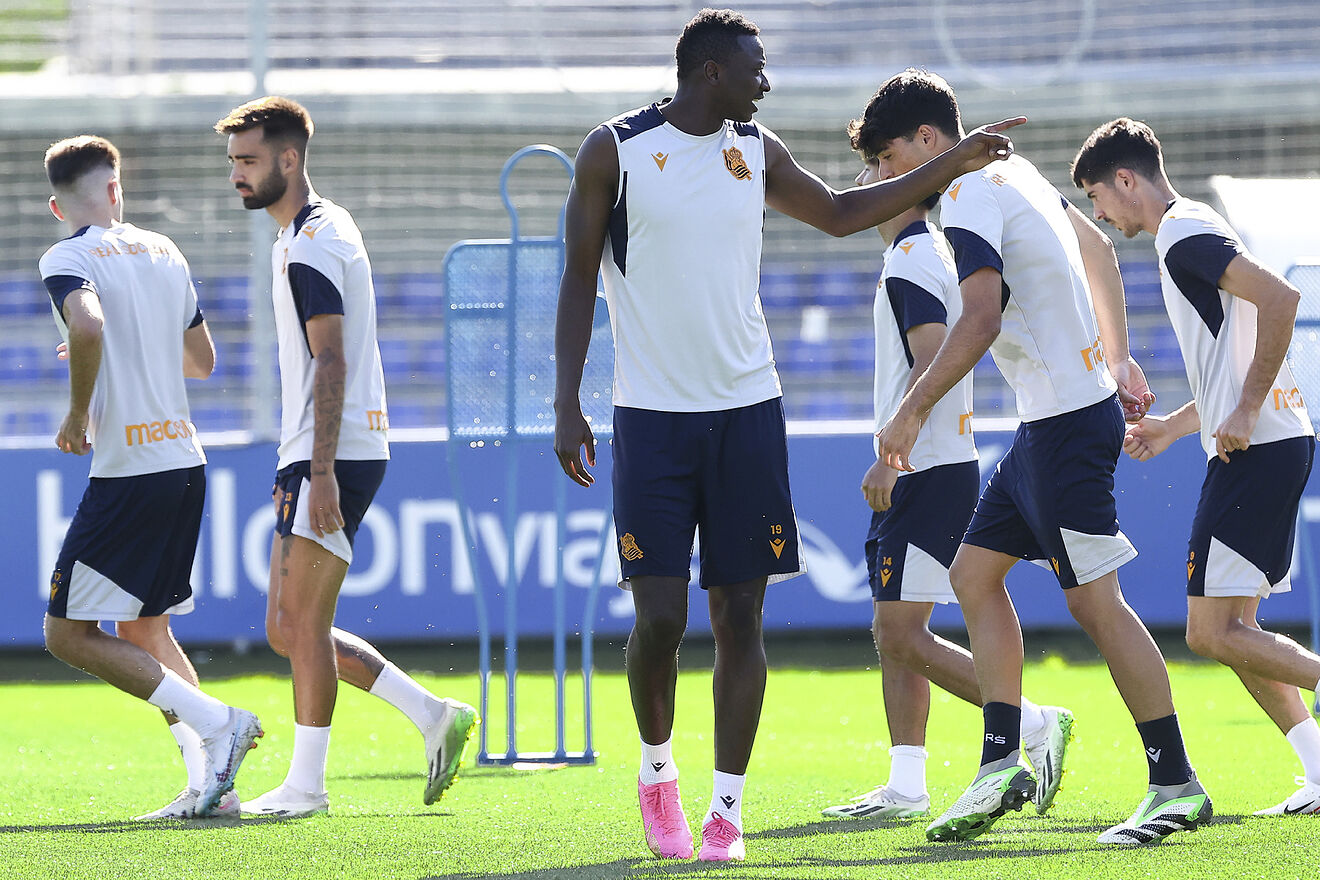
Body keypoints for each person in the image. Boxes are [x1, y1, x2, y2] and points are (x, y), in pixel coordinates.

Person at [552, 10, 1022, 861]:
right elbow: (579, 278)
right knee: (659, 619)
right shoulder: (613, 152)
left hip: (748, 415)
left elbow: (842, 212)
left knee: (741, 614)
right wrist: (565, 402)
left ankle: (725, 812)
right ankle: (659, 773)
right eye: (754, 68)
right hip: (651, 421)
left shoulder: (755, 151)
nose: (766, 82)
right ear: (710, 73)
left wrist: (953, 159)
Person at [871, 71, 1210, 846]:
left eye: (890, 160)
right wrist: (1117, 357)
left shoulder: (961, 196)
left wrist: (911, 410)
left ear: (929, 142)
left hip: (1064, 427)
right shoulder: (1013, 170)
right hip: (1046, 423)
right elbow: (1094, 247)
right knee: (972, 575)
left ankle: (1175, 782)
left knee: (1096, 604)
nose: (889, 181)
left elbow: (982, 319)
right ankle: (1000, 764)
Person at [214, 96, 477, 818]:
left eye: (248, 160)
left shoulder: (311, 243)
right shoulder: (308, 232)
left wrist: (320, 468)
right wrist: (298, 462)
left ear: (288, 159)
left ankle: (306, 788)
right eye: (233, 161)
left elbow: (330, 362)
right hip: (317, 449)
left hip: (335, 451)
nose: (236, 174)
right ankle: (431, 714)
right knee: (285, 626)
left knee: (299, 623)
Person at [820, 79, 1073, 823]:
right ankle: (905, 783)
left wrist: (892, 449)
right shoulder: (929, 252)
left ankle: (1029, 722)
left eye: (877, 167)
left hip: (925, 468)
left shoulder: (908, 262)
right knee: (896, 631)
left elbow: (935, 352)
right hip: (935, 463)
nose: (866, 183)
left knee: (898, 632)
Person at [1072, 117, 1320, 820]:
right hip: (1261, 443)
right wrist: (1180, 427)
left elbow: (1281, 299)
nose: (1100, 215)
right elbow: (1232, 355)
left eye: (1098, 197)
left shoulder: (1183, 231)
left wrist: (1242, 410)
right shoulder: (1194, 225)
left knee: (1211, 633)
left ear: (1127, 180)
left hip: (1259, 447)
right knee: (1236, 629)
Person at [38, 134, 262, 820]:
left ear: (57, 205)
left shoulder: (67, 255)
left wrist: (78, 409)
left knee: (66, 634)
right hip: (182, 461)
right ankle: (209, 788)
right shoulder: (165, 252)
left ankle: (221, 722)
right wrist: (113, 344)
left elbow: (90, 323)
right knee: (144, 631)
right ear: (115, 187)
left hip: (130, 467)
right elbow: (202, 361)